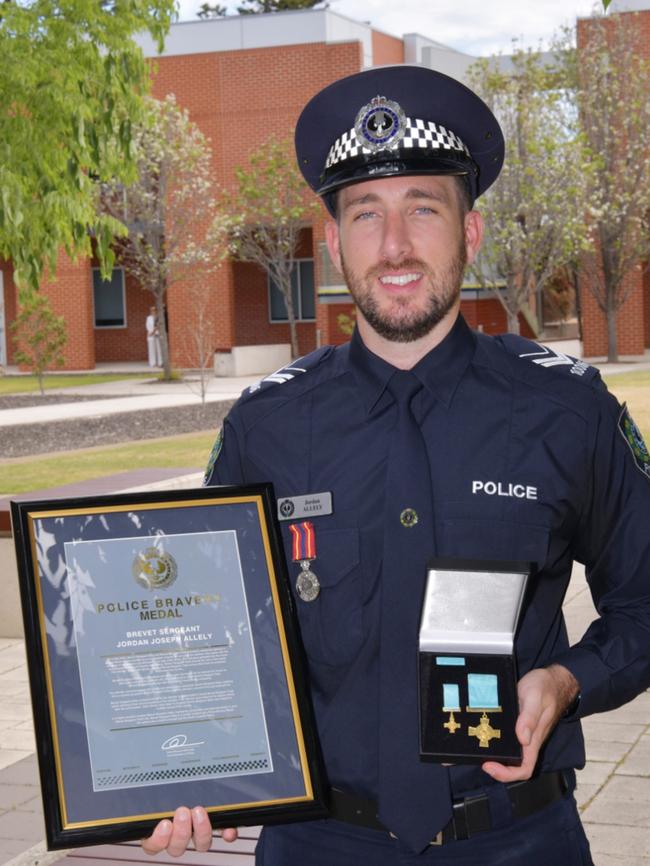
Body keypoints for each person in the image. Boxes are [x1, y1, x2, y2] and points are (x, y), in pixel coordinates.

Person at [142, 65, 650, 864]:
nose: (397, 245)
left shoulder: (569, 409)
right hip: (317, 844)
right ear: (336, 242)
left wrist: (568, 680)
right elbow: (208, 634)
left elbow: (645, 605)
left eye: (424, 208)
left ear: (470, 232)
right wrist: (173, 758)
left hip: (520, 840)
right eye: (367, 215)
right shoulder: (266, 425)